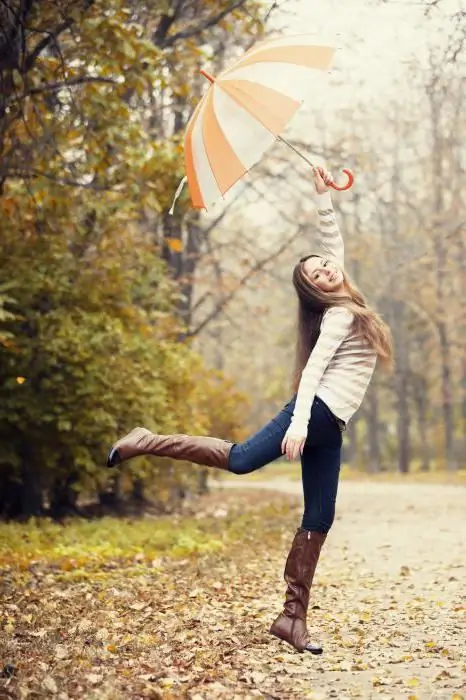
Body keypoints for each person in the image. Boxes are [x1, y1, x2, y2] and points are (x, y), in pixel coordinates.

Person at [107, 166, 393, 655]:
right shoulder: (339, 315)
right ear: (315, 292)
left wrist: (323, 197)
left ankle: (291, 618)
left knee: (319, 517)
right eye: (315, 274)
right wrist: (300, 423)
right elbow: (312, 373)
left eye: (324, 264)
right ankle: (147, 439)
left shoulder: (346, 296)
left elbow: (332, 244)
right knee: (240, 459)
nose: (326, 269)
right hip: (317, 413)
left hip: (332, 424)